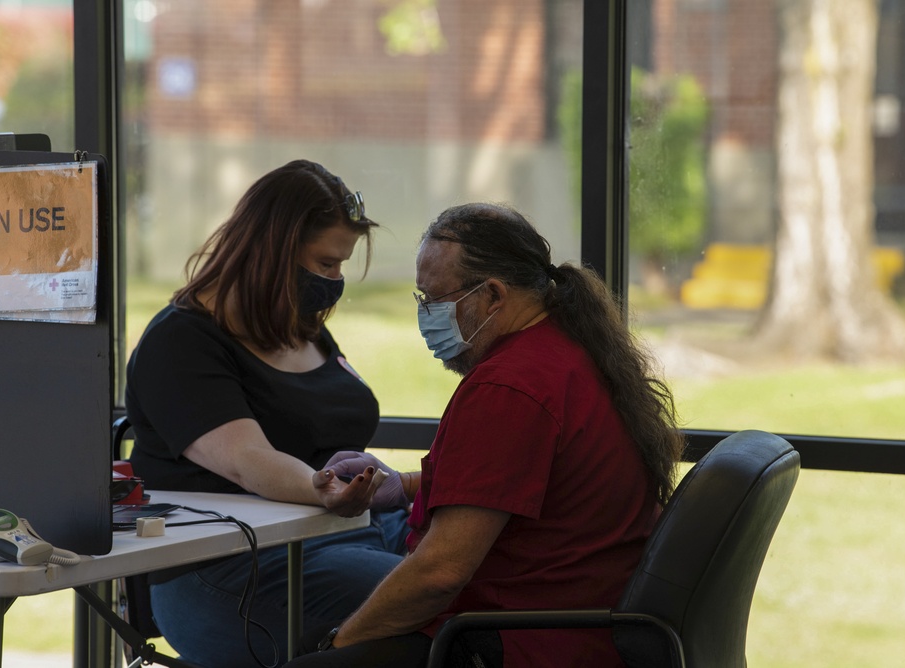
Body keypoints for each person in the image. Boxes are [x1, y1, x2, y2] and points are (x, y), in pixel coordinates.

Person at [286, 202, 684, 667]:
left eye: (433, 299)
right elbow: (520, 485)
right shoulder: (571, 349)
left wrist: (339, 643)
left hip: (516, 642)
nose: (426, 316)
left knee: (313, 649)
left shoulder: (508, 387)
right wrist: (404, 485)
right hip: (580, 626)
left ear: (493, 295)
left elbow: (440, 573)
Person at [124, 160, 413, 668]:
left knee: (494, 575)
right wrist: (320, 487)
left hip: (346, 537)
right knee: (435, 600)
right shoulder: (182, 341)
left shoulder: (301, 331)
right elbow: (246, 457)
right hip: (233, 569)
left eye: (341, 265)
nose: (335, 281)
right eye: (325, 265)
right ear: (272, 253)